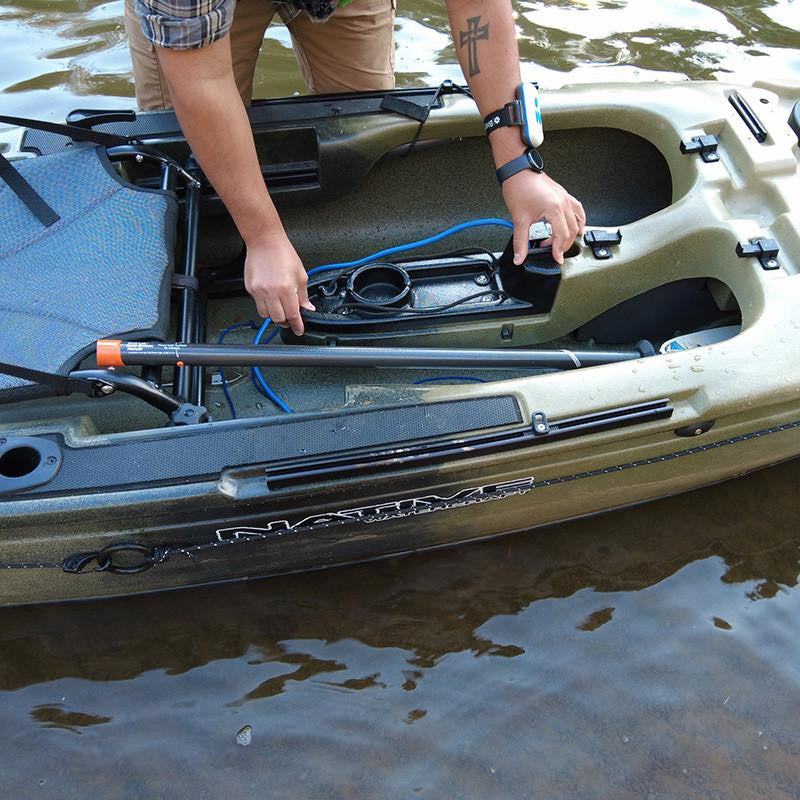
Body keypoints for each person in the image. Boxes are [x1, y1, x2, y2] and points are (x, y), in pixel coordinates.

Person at [125, 0, 585, 335]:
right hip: (195, 14)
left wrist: (518, 164)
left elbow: (476, 5)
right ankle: (218, 266)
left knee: (366, 131)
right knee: (184, 168)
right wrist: (263, 236)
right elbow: (201, 79)